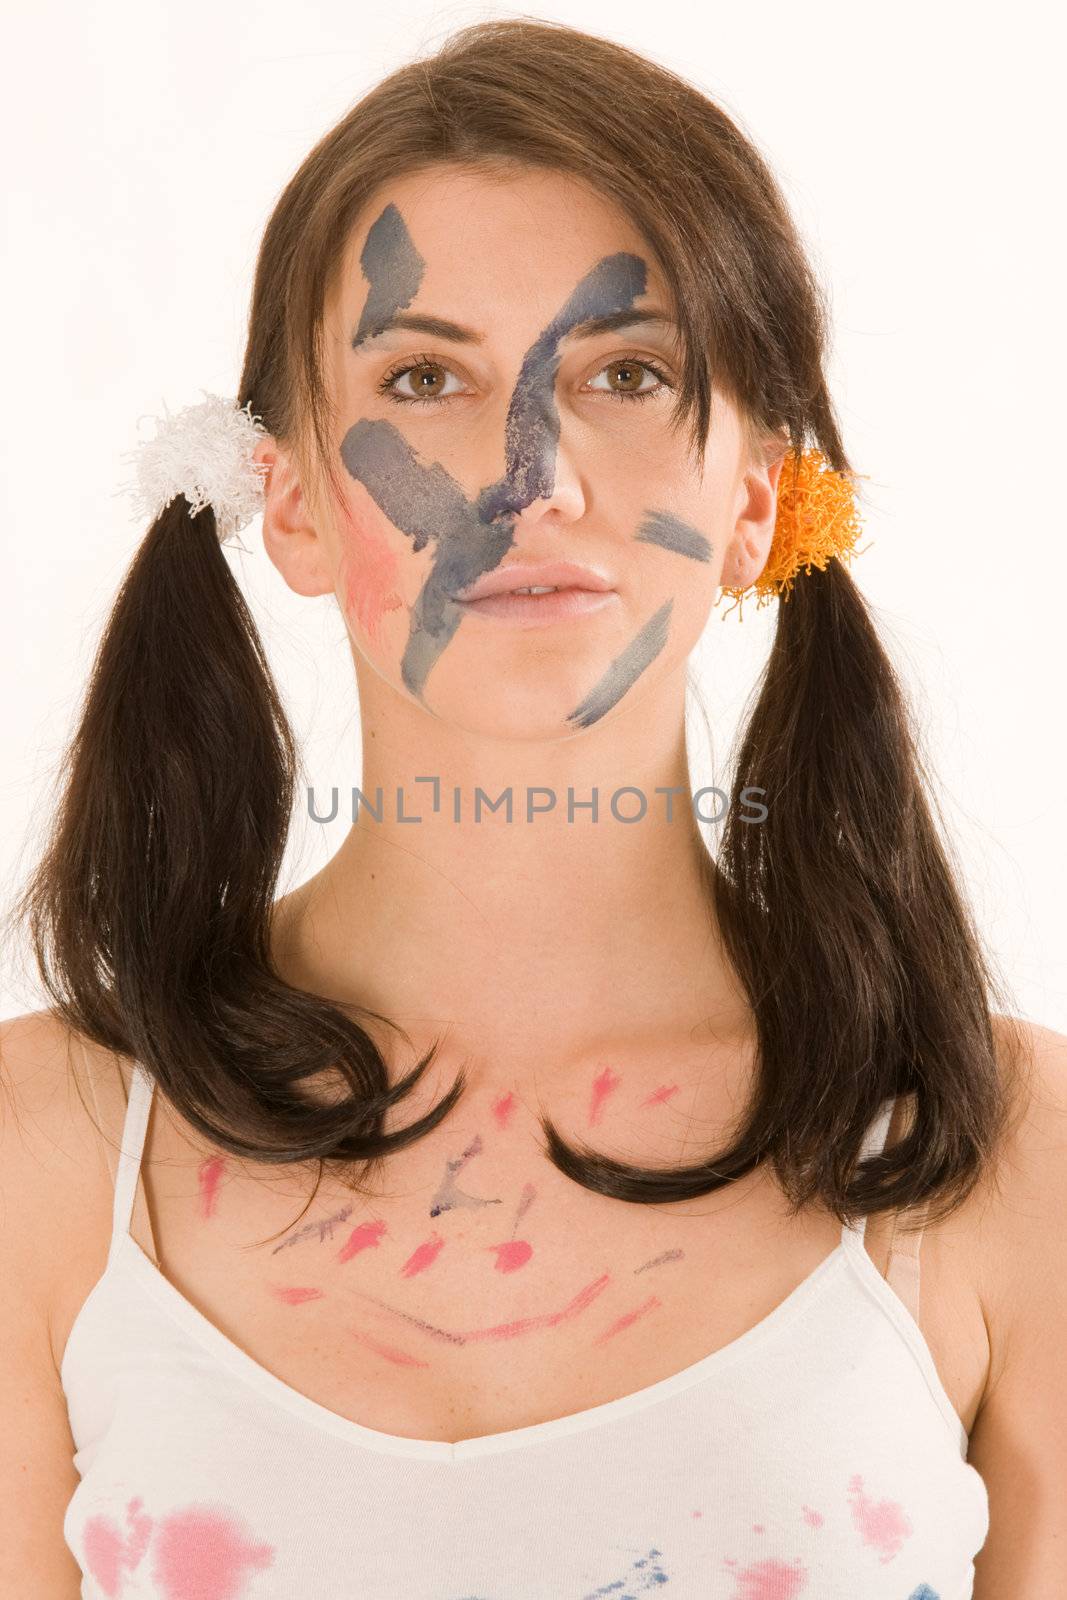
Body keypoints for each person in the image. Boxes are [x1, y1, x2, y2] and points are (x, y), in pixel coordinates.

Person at [1, 18, 1064, 1599]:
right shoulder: (50, 1148)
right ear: (287, 497)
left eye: (626, 374)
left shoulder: (1000, 1148)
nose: (527, 474)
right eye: (424, 377)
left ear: (758, 500)